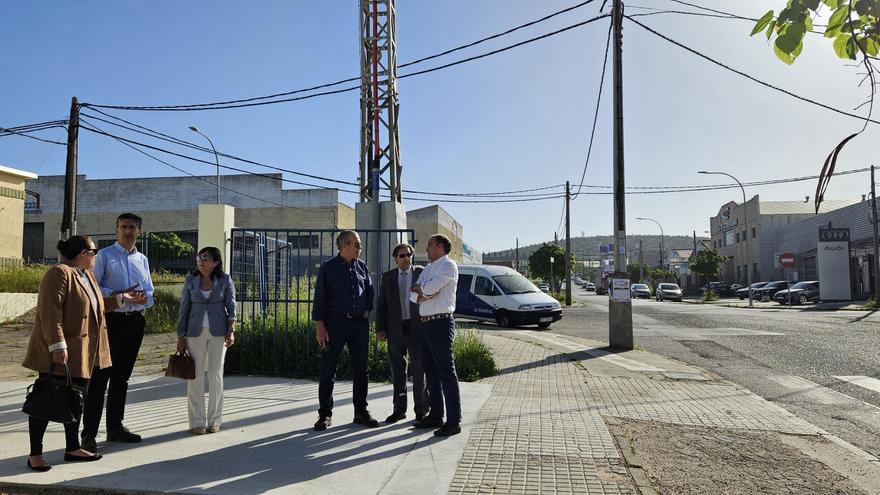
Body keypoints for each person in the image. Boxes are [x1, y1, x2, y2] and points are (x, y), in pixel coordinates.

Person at [22, 236, 127, 470]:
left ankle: (72, 447)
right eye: (94, 251)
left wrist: (121, 299)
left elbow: (95, 305)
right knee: (47, 398)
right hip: (64, 351)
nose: (96, 256)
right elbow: (50, 311)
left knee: (75, 400)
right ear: (82, 253)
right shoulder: (59, 273)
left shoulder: (86, 274)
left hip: (85, 351)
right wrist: (57, 345)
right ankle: (35, 454)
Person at [82, 213, 155, 452]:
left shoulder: (142, 259)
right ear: (116, 230)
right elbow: (92, 286)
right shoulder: (104, 255)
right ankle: (89, 434)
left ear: (139, 232)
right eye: (123, 227)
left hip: (134, 322)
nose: (127, 231)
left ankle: (115, 428)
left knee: (121, 378)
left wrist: (144, 298)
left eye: (132, 227)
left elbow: (150, 292)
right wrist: (120, 294)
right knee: (100, 378)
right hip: (109, 322)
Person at [312, 230, 378, 431]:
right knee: (328, 370)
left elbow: (369, 291)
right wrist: (320, 325)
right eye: (357, 244)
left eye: (359, 244)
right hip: (334, 324)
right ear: (343, 245)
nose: (360, 248)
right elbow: (320, 298)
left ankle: (361, 412)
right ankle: (325, 414)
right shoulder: (328, 268)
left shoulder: (362, 267)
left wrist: (366, 311)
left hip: (359, 325)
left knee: (361, 369)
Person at [175, 247, 237, 435]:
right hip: (194, 333)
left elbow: (231, 305)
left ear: (215, 262)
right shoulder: (190, 280)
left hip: (219, 333)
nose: (201, 262)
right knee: (195, 377)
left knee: (216, 375)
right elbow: (184, 307)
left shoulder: (225, 280)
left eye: (205, 258)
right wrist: (181, 335)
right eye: (199, 258)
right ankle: (197, 421)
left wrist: (231, 330)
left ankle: (215, 420)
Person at [411, 234, 462, 437]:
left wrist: (423, 290)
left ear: (440, 247)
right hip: (425, 324)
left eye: (430, 245)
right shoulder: (428, 269)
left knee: (446, 373)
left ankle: (453, 421)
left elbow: (429, 288)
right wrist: (423, 290)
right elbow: (413, 295)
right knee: (430, 371)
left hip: (441, 323)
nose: (427, 248)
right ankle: (436, 415)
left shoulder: (448, 266)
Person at [375, 243, 427, 424]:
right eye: (402, 255)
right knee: (398, 371)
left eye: (409, 255)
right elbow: (381, 305)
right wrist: (380, 328)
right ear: (395, 258)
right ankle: (399, 409)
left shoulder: (421, 273)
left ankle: (421, 410)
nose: (406, 258)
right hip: (395, 329)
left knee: (419, 370)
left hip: (417, 328)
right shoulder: (388, 277)